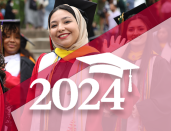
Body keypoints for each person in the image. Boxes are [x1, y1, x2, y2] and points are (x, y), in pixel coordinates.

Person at [19, 0, 139, 130]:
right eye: (53, 25)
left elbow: (125, 108)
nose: (60, 28)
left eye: (67, 21)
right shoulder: (44, 61)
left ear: (81, 25)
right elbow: (29, 108)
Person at [105, 5, 171, 131]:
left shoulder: (158, 63)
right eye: (131, 29)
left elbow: (167, 97)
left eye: (141, 28)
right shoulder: (118, 61)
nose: (135, 33)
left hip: (146, 124)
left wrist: (141, 108)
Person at [0, 19, 35, 89]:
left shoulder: (25, 62)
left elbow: (23, 87)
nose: (12, 40)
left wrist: (1, 72)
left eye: (17, 37)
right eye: (8, 36)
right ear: (0, 38)